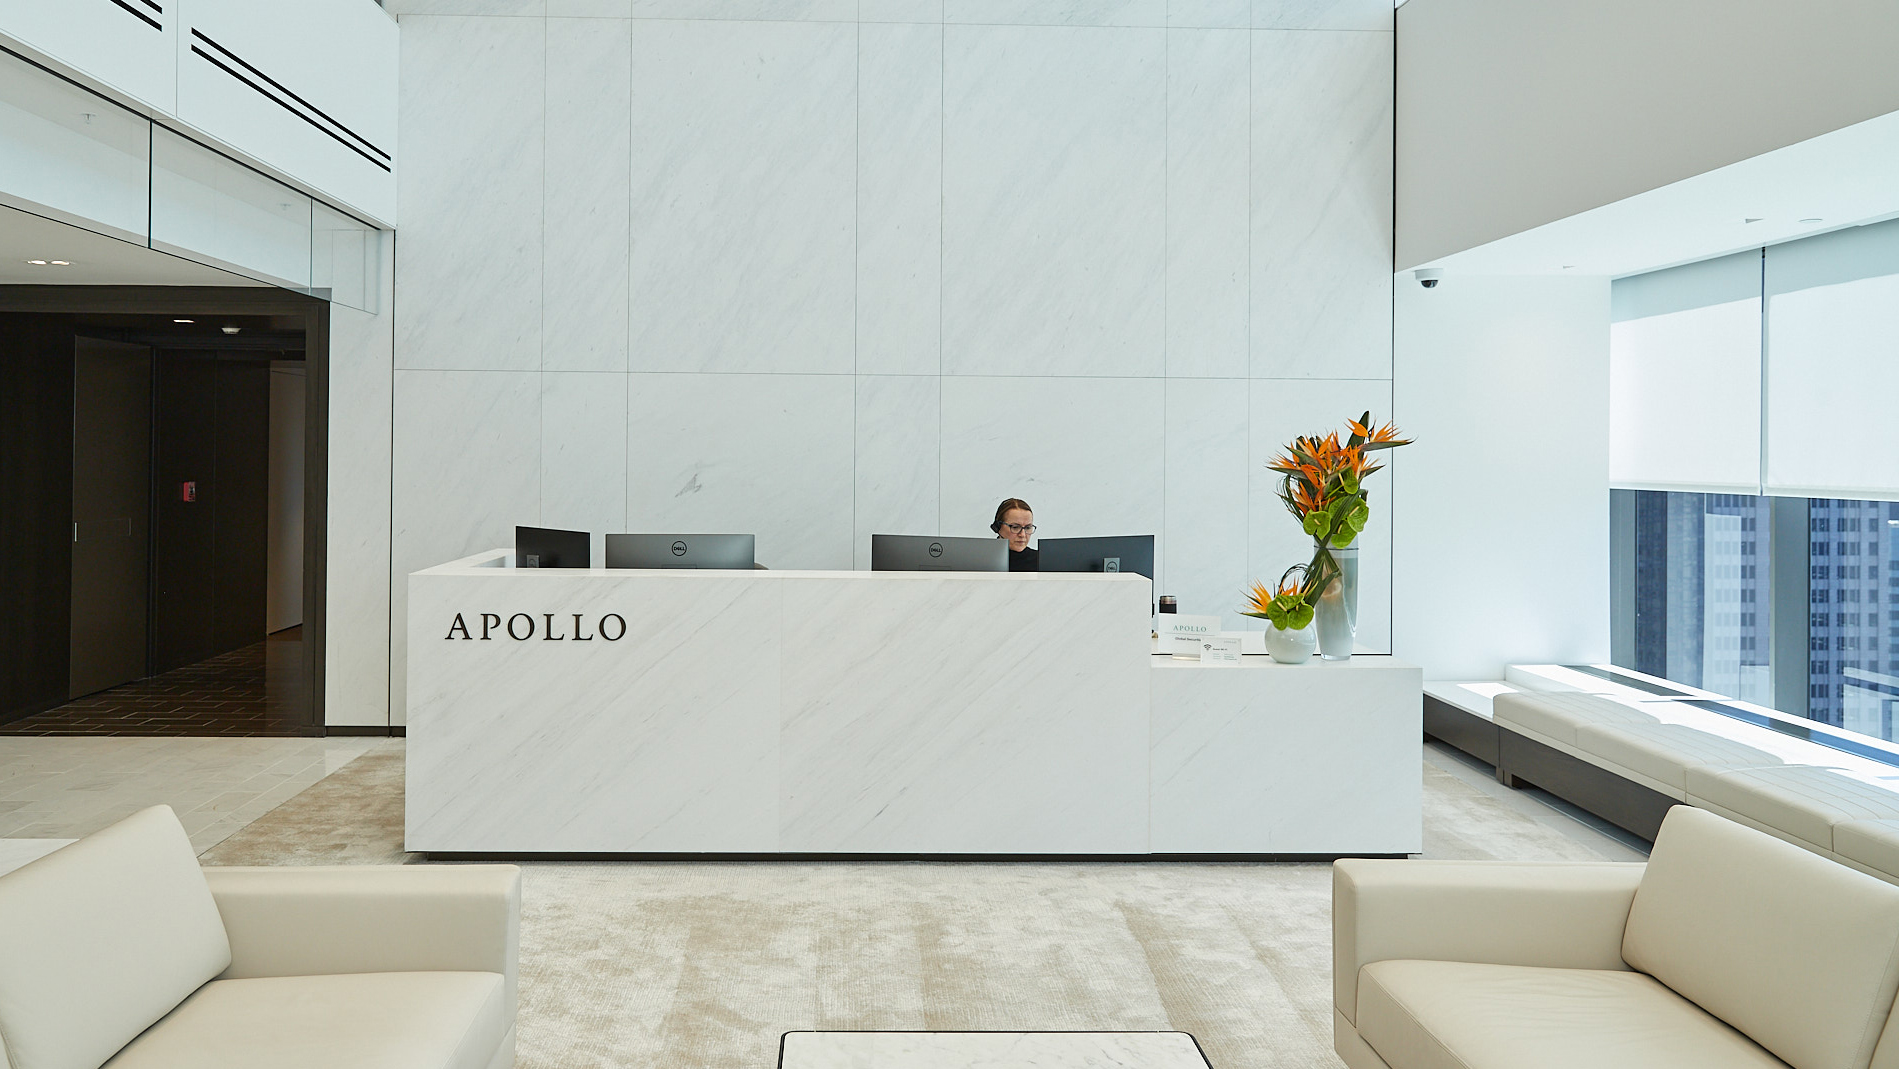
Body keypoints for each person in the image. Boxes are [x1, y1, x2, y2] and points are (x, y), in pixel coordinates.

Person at [992, 498, 1038, 572]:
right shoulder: (980, 559)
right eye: (1015, 527)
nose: (1022, 535)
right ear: (998, 527)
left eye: (1028, 527)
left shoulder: (1042, 561)